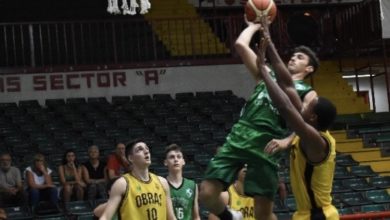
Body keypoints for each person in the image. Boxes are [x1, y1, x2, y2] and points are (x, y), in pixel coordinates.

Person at [199, 16, 318, 220]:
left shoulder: (309, 93)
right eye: (293, 55)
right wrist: (254, 26)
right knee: (207, 194)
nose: (292, 58)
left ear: (309, 69)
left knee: (263, 215)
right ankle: (230, 217)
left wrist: (287, 141)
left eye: (300, 58)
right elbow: (240, 44)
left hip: (268, 144)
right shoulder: (266, 75)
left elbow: (308, 127)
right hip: (241, 135)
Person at [257, 16, 339, 220]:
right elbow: (287, 85)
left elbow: (286, 106)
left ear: (312, 117)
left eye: (308, 105)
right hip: (305, 213)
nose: (304, 105)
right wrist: (268, 39)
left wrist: (264, 72)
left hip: (318, 215)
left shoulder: (314, 139)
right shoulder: (308, 135)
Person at [99, 139, 176, 220]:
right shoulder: (122, 184)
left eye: (147, 149)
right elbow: (106, 217)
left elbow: (171, 217)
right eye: (140, 149)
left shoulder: (162, 182)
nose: (146, 152)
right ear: (131, 158)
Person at [164, 144, 200, 220]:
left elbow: (196, 216)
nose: (176, 159)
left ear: (183, 161)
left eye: (179, 157)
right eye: (172, 157)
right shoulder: (161, 185)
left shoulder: (192, 185)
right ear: (165, 162)